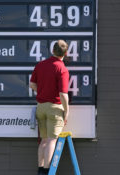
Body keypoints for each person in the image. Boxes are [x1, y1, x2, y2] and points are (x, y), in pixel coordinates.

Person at [29, 40, 69, 175]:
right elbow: (63, 94)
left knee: (44, 140)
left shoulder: (40, 65)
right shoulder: (62, 69)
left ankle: (40, 169)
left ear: (53, 51)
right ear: (66, 53)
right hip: (54, 108)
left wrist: (42, 91)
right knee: (52, 140)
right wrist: (66, 111)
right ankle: (47, 171)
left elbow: (32, 84)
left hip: (40, 107)